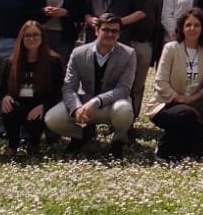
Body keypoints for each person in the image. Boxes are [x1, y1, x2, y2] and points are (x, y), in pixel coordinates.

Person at [45, 13, 136, 159]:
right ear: (96, 30)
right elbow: (69, 87)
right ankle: (80, 136)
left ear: (119, 34)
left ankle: (118, 141)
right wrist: (76, 108)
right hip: (84, 104)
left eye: (114, 31)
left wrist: (96, 102)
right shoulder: (79, 53)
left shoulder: (128, 54)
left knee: (124, 110)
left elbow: (124, 89)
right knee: (52, 118)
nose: (110, 34)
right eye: (106, 30)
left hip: (112, 104)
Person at [148, 7, 203, 160]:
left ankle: (183, 149)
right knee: (187, 115)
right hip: (166, 104)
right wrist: (180, 99)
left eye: (196, 25)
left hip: (195, 105)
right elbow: (160, 82)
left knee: (194, 136)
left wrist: (194, 98)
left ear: (202, 29)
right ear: (182, 28)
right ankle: (163, 149)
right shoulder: (171, 48)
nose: (192, 28)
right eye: (188, 25)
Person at [0, 21, 64, 155]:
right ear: (21, 38)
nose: (31, 38)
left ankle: (34, 143)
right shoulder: (10, 62)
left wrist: (44, 106)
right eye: (27, 35)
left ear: (42, 37)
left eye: (35, 35)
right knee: (8, 107)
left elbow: (58, 92)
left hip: (41, 105)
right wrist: (6, 97)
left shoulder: (54, 61)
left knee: (37, 116)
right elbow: (3, 89)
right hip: (19, 103)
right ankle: (12, 145)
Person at [129, 0, 165, 117]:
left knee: (139, 84)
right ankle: (119, 117)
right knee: (124, 83)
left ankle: (133, 117)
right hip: (127, 42)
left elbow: (159, 20)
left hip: (146, 44)